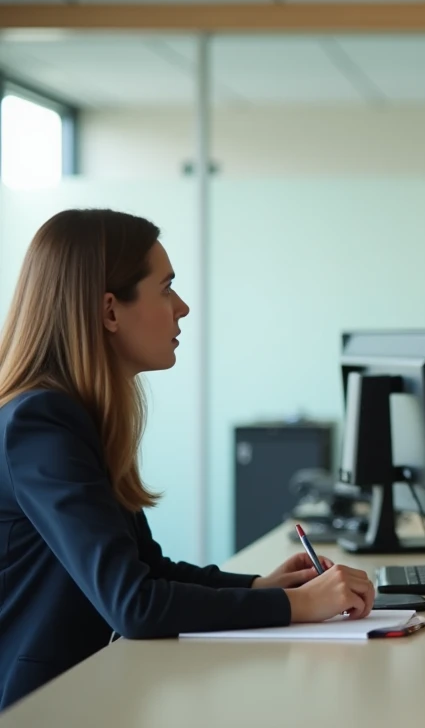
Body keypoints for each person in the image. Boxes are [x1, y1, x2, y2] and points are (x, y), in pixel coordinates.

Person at [0, 209, 376, 710]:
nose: (182, 307)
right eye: (166, 288)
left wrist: (261, 587)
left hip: (91, 693)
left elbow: (149, 569)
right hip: (43, 706)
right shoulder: (41, 425)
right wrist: (298, 604)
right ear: (110, 311)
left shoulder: (75, 416)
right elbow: (134, 604)